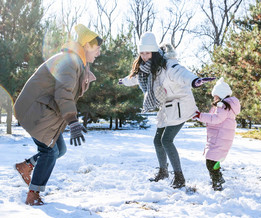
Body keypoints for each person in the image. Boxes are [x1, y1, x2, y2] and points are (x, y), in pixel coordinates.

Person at [14, 24, 102, 205]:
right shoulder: (70, 61)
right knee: (49, 152)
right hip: (35, 110)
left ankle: (26, 166)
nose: (99, 53)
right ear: (86, 45)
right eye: (97, 48)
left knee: (59, 150)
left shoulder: (77, 62)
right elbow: (64, 93)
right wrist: (72, 120)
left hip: (43, 110)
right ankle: (33, 195)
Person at [119, 32, 215, 189]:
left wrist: (195, 80)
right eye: (142, 53)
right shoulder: (147, 69)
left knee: (166, 140)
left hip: (181, 106)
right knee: (157, 141)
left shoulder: (168, 65)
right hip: (167, 108)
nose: (144, 56)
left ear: (154, 52)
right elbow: (135, 78)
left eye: (147, 52)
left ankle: (179, 177)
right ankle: (163, 172)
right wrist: (123, 81)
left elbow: (181, 73)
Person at [193, 78, 240, 191]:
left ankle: (217, 182)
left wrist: (200, 116)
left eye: (215, 96)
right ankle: (218, 178)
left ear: (222, 95)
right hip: (221, 137)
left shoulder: (222, 106)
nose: (214, 98)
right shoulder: (226, 106)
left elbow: (216, 119)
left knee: (210, 161)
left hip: (219, 137)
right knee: (214, 160)